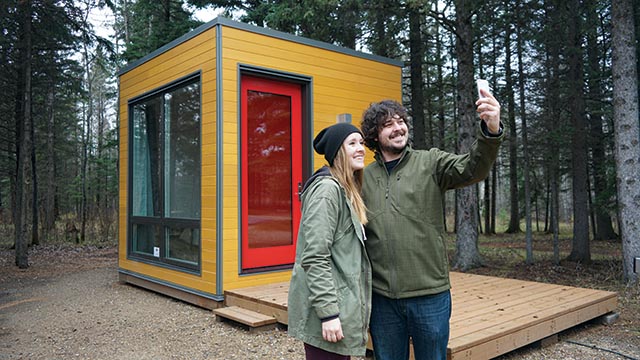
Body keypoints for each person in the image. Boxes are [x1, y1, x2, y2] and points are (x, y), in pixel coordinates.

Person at [359, 90, 503, 360]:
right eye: (387, 124)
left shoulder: (431, 162)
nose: (398, 128)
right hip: (382, 298)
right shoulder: (364, 178)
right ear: (374, 136)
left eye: (401, 121)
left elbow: (473, 168)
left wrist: (491, 130)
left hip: (429, 294)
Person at [287, 122, 372, 359]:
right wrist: (328, 314)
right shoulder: (327, 191)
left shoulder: (345, 189)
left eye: (361, 143)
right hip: (329, 310)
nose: (360, 149)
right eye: (352, 143)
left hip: (341, 306)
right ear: (337, 152)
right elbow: (314, 256)